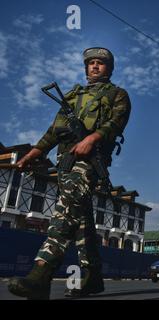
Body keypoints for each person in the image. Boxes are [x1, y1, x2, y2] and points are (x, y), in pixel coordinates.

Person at [7, 47, 132, 299]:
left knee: (64, 213)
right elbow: (54, 130)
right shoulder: (73, 96)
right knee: (81, 222)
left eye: (101, 63)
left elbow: (116, 123)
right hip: (64, 161)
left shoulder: (117, 95)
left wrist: (93, 138)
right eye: (91, 63)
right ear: (86, 67)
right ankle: (93, 276)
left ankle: (41, 275)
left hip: (88, 161)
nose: (95, 66)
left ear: (110, 68)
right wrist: (36, 152)